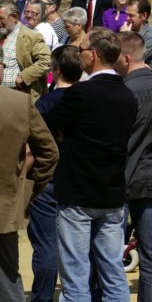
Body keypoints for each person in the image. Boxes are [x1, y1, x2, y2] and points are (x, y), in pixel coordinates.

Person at [42, 27, 137, 301]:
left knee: (75, 276)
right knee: (113, 273)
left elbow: (48, 127)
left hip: (78, 195)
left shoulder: (80, 94)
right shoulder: (127, 95)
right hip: (112, 194)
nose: (79, 54)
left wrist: (68, 132)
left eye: (82, 49)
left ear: (93, 55)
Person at [114, 32, 152, 302]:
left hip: (121, 177)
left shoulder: (122, 91)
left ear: (126, 58)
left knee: (110, 250)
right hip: (151, 175)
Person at [0, 47, 58, 302]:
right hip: (5, 206)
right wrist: (28, 192)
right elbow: (49, 153)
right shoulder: (18, 103)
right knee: (7, 277)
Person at [28, 45, 82, 302]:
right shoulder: (88, 100)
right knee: (79, 247)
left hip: (49, 180)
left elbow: (32, 144)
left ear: (55, 70)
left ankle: (42, 298)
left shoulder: (45, 104)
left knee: (47, 247)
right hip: (80, 181)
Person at [0, 0, 51, 100]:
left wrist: (23, 77)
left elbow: (46, 62)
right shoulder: (3, 33)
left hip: (19, 97)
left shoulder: (31, 36)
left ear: (14, 17)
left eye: (1, 18)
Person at [122, 0, 152, 64]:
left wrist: (125, 38)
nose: (127, 18)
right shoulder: (128, 30)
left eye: (131, 15)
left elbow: (132, 60)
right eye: (127, 15)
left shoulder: (151, 37)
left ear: (144, 16)